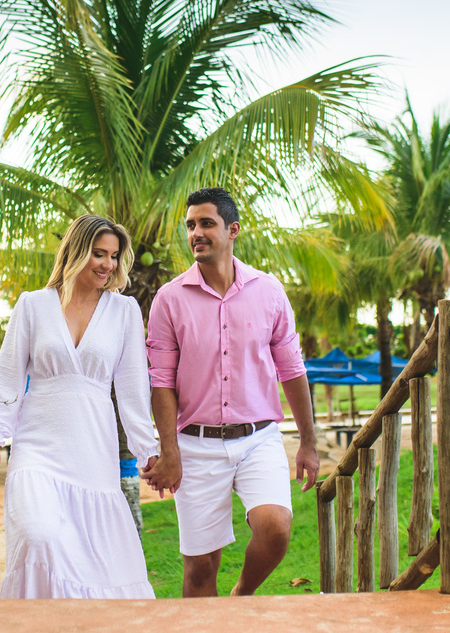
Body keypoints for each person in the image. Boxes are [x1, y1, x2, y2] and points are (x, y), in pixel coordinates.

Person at [141, 187, 319, 597]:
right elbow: (161, 380)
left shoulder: (269, 291)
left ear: (232, 230)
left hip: (258, 438)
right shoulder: (169, 299)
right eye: (190, 225)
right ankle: (211, 622)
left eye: (206, 223)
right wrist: (170, 451)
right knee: (200, 568)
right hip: (195, 444)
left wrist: (308, 442)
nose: (196, 233)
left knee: (276, 527)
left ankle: (241, 596)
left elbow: (292, 369)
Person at [0, 214, 158, 599]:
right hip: (37, 447)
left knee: (92, 560)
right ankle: (33, 621)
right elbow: (8, 375)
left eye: (113, 256)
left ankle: (79, 621)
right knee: (37, 535)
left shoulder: (124, 312)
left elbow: (133, 390)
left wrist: (147, 451)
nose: (107, 264)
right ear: (76, 252)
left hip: (93, 452)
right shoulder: (33, 305)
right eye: (98, 253)